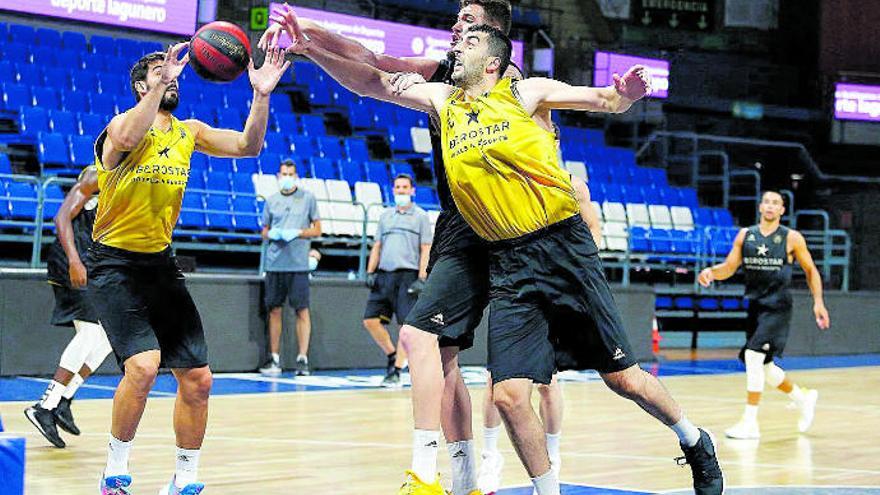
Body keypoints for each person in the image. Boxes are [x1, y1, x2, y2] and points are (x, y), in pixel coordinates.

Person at [275, 18, 724, 495]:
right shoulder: (443, 99)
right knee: (509, 396)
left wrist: (629, 92)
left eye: (467, 41)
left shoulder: (526, 93)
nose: (455, 47)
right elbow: (373, 80)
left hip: (562, 248)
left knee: (625, 379)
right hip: (509, 260)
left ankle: (694, 439)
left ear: (492, 62)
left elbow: (605, 100)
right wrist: (309, 49)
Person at [262, 3, 521, 494]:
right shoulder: (445, 72)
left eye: (466, 20)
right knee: (441, 356)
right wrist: (310, 41)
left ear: (491, 35)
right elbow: (371, 67)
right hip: (456, 223)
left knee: (431, 343)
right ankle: (466, 477)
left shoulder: (505, 80)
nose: (454, 26)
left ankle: (432, 473)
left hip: (496, 225)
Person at [88, 44, 288, 495]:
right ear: (142, 86)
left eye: (175, 72)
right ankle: (114, 472)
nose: (173, 76)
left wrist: (261, 95)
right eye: (161, 73)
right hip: (114, 264)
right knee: (142, 367)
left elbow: (247, 145)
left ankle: (184, 478)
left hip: (159, 264)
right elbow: (122, 140)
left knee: (198, 379)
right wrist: (157, 87)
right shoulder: (120, 128)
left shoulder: (188, 132)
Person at [478, 174, 599, 494]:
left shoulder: (573, 187)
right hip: (517, 288)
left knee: (548, 383)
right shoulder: (513, 180)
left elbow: (594, 233)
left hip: (557, 291)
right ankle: (490, 456)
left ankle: (552, 457)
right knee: (495, 380)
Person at [699, 190, 830, 440]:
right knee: (766, 368)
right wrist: (711, 273)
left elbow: (811, 270)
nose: (770, 206)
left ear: (782, 210)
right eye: (767, 201)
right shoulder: (745, 235)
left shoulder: (791, 238)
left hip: (778, 307)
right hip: (756, 306)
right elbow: (729, 267)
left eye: (776, 203)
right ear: (760, 207)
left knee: (752, 356)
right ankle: (803, 398)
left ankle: (750, 422)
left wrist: (818, 302)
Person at [24, 165, 113, 449]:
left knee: (108, 339)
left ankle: (64, 399)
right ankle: (44, 406)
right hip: (69, 259)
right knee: (88, 333)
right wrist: (75, 260)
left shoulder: (129, 187)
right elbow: (62, 216)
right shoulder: (96, 175)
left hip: (94, 263)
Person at [364, 173, 432, 387]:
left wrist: (422, 277)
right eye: (397, 187)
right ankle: (392, 355)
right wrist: (369, 270)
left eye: (405, 187)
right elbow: (377, 245)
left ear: (412, 191)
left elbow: (425, 248)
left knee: (406, 326)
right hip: (384, 274)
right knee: (370, 320)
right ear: (393, 190)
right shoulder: (385, 216)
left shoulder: (420, 216)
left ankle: (397, 370)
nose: (401, 191)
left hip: (408, 275)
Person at [259, 159, 322, 377]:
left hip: (298, 265)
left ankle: (302, 358)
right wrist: (272, 234)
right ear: (278, 176)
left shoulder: (308, 199)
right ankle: (273, 358)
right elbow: (264, 230)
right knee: (274, 310)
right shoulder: (271, 201)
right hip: (275, 264)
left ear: (296, 177)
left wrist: (297, 232)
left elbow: (317, 230)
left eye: (290, 174)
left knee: (301, 310)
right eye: (283, 174)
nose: (287, 177)